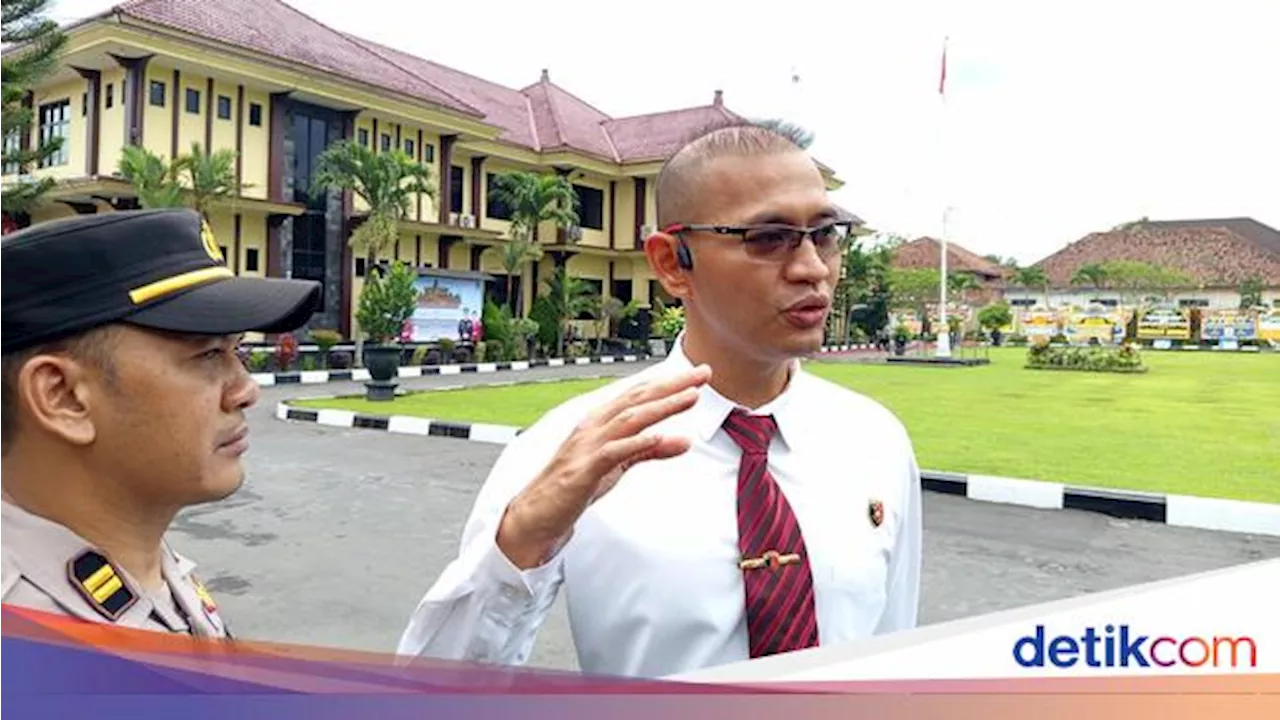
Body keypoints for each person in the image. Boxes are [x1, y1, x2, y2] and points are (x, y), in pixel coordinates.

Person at [397, 122, 923, 678]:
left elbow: (889, 656)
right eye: (768, 237)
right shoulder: (574, 448)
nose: (812, 268)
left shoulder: (874, 441)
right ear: (672, 263)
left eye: (825, 234)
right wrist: (525, 536)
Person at [0, 209, 320, 637]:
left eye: (236, 351)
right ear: (63, 396)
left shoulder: (139, 564)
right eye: (208, 354)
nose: (245, 390)